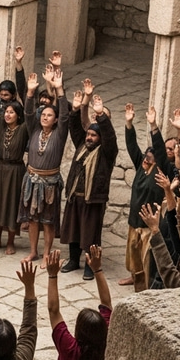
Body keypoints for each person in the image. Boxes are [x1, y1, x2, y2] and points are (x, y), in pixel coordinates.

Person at [60, 94, 118, 280]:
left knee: (90, 235)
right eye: (89, 135)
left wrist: (101, 115)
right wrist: (75, 110)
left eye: (94, 135)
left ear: (100, 138)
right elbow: (75, 128)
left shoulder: (107, 152)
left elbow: (110, 137)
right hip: (75, 196)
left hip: (92, 199)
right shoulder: (81, 145)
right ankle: (73, 260)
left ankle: (90, 265)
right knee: (74, 231)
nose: (90, 138)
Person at [18, 68, 70, 264]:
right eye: (43, 114)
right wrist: (30, 93)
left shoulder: (59, 134)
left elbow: (65, 116)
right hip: (31, 180)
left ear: (55, 120)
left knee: (48, 221)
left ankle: (47, 253)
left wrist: (59, 90)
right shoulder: (34, 130)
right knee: (32, 219)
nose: (45, 117)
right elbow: (28, 113)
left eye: (49, 115)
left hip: (50, 183)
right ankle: (33, 251)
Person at [119, 104, 170, 290]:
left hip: (149, 223)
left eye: (150, 158)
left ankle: (146, 284)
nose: (146, 159)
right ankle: (135, 277)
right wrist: (129, 123)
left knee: (146, 256)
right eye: (146, 156)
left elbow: (161, 151)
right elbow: (132, 146)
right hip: (135, 219)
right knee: (133, 252)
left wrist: (153, 126)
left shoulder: (159, 171)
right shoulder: (141, 167)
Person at [0, 60, 28, 255]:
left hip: (15, 171)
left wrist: (19, 69)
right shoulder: (0, 125)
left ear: (18, 114)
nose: (8, 114)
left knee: (11, 206)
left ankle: (10, 242)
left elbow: (26, 102)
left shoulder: (24, 129)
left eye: (11, 112)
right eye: (6, 111)